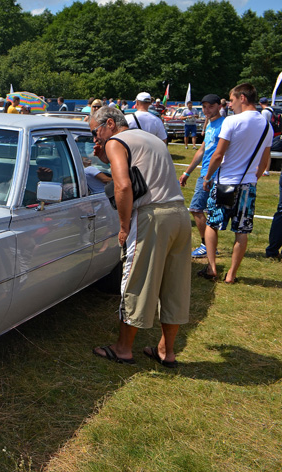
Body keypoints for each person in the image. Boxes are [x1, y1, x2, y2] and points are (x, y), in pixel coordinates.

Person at [90, 107, 190, 367]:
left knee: (135, 280)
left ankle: (123, 349)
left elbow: (123, 185)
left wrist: (124, 226)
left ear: (109, 124)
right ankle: (166, 351)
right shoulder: (151, 138)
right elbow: (143, 173)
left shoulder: (115, 142)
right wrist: (105, 157)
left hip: (151, 217)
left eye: (95, 132)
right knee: (174, 285)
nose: (95, 139)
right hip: (179, 214)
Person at [200, 83, 273, 283]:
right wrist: (252, 179)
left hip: (224, 182)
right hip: (247, 184)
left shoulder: (232, 121)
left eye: (231, 100)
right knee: (242, 230)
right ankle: (231, 274)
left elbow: (218, 155)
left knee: (212, 224)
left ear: (242, 98)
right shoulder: (267, 125)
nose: (229, 105)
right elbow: (264, 162)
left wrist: (207, 178)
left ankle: (212, 268)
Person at [180, 94, 224, 258]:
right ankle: (210, 246)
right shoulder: (211, 124)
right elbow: (202, 150)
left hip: (213, 174)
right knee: (205, 210)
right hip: (206, 173)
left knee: (196, 208)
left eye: (210, 106)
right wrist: (187, 172)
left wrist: (209, 176)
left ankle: (207, 245)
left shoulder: (224, 125)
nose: (206, 110)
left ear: (219, 106)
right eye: (204, 107)